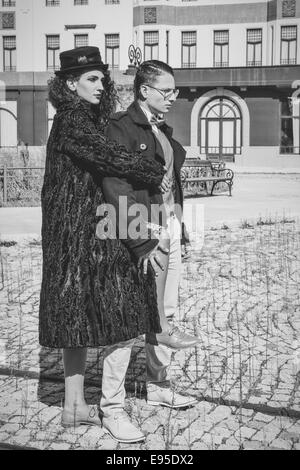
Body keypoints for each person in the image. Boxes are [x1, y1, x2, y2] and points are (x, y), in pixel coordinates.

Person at [39, 47, 166, 444]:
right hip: (74, 238)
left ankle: (74, 405)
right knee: (106, 308)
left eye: (101, 78)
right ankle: (96, 404)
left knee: (74, 317)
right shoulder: (73, 119)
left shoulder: (82, 118)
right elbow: (109, 156)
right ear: (69, 83)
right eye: (91, 79)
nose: (100, 85)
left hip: (81, 233)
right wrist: (150, 167)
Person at [101, 60, 200, 440]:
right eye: (167, 90)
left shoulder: (161, 129)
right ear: (144, 90)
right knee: (127, 321)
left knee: (166, 313)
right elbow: (115, 187)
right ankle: (111, 406)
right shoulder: (121, 127)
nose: (173, 97)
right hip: (141, 233)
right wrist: (142, 239)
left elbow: (169, 184)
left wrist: (179, 226)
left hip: (168, 228)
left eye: (174, 90)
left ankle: (157, 387)